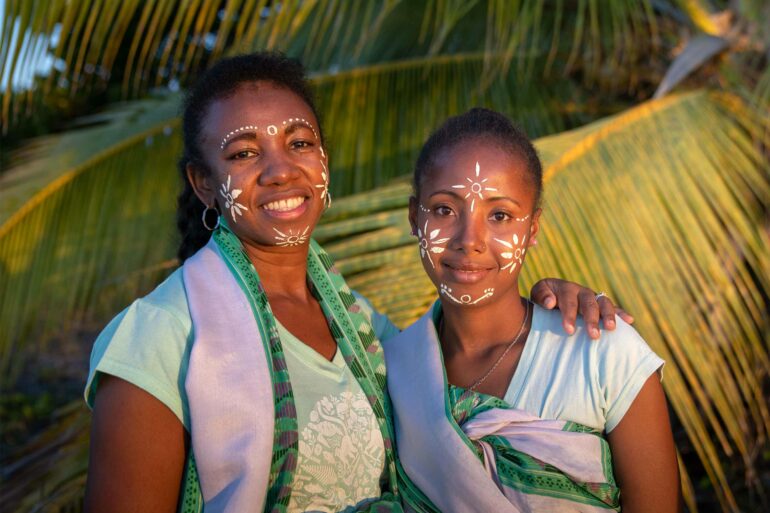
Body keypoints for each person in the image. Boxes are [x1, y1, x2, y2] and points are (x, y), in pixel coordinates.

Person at [83, 53, 630, 513]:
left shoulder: (366, 329)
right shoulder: (157, 338)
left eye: (299, 143)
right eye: (244, 153)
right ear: (204, 183)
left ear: (323, 157)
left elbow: (468, 359)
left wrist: (551, 297)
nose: (280, 171)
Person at [385, 108, 681, 512]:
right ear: (413, 218)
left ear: (533, 229)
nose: (469, 240)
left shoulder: (602, 353)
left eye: (500, 215)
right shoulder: (393, 372)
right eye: (443, 210)